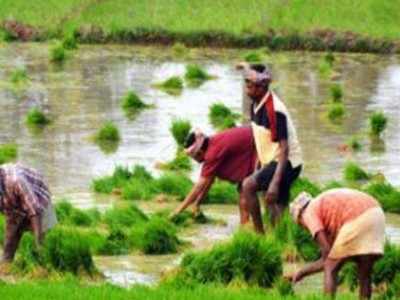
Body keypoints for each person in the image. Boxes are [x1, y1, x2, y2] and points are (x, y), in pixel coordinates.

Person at [287, 188, 385, 299]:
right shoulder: (325, 206)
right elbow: (331, 257)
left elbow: (327, 256)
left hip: (358, 217)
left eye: (301, 224)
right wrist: (302, 273)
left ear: (300, 216)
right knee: (364, 272)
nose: (305, 228)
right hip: (377, 214)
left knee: (330, 268)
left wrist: (301, 273)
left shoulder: (308, 212)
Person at [239, 63, 303, 232]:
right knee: (277, 209)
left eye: (250, 86)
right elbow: (262, 139)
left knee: (248, 186)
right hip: (274, 160)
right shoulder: (255, 104)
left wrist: (274, 182)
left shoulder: (274, 110)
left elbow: (284, 147)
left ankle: (260, 236)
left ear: (262, 87)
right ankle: (281, 239)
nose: (247, 89)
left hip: (287, 162)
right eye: (247, 84)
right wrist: (258, 167)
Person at [170, 126, 256, 224]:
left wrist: (178, 211)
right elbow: (209, 180)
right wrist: (197, 203)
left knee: (245, 189)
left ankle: (251, 228)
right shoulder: (213, 143)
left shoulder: (212, 153)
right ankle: (245, 227)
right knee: (243, 189)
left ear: (200, 152)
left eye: (193, 157)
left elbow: (199, 186)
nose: (195, 160)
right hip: (250, 143)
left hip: (258, 144)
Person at [0, 163, 57, 263]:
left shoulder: (16, 180)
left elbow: (35, 210)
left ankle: (44, 262)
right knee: (11, 235)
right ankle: (7, 261)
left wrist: (38, 242)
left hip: (37, 196)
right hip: (12, 201)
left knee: (42, 236)